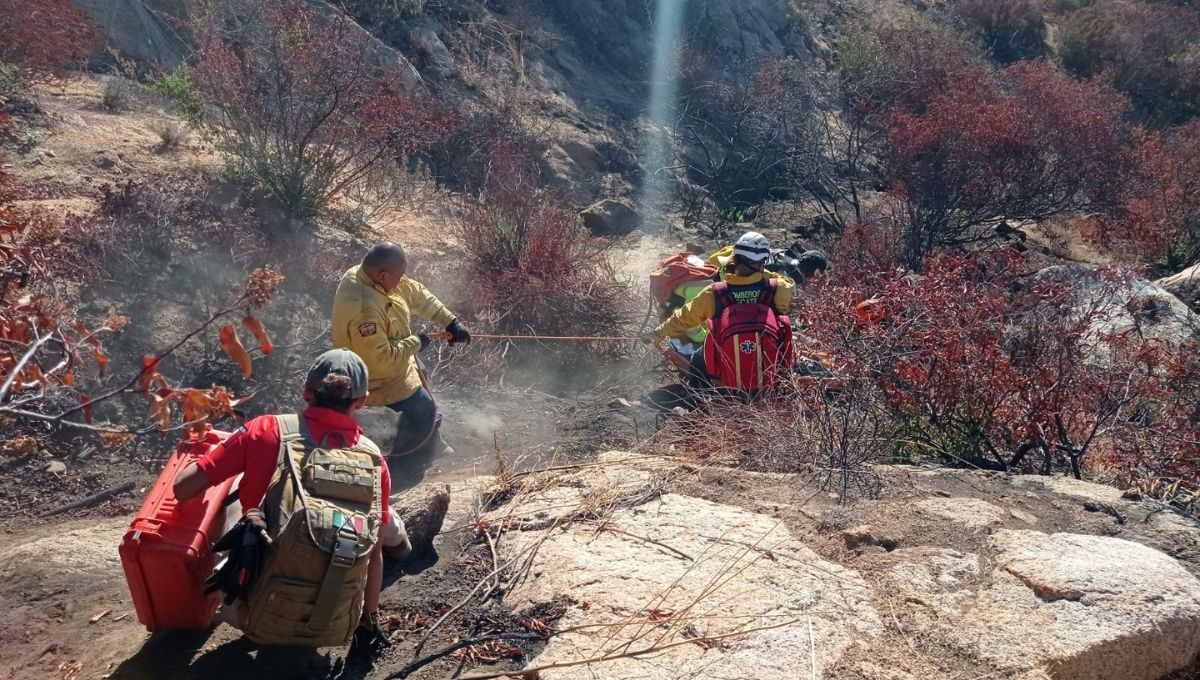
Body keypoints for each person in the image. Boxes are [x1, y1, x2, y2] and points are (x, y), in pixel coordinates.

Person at [173, 349, 393, 655]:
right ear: (362, 401)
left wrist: (210, 452)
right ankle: (405, 547)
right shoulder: (374, 460)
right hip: (333, 621)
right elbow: (375, 555)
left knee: (238, 488)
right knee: (381, 522)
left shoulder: (266, 429)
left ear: (306, 393)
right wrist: (368, 621)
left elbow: (183, 488)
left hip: (249, 610)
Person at [331, 242, 470, 461]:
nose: (402, 279)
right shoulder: (364, 309)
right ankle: (406, 459)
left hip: (395, 358)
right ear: (383, 275)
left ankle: (427, 439)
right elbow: (381, 359)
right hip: (373, 376)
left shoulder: (375, 278)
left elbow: (415, 293)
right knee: (424, 406)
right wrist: (417, 342)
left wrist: (450, 321)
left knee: (421, 373)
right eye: (400, 274)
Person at [644, 231, 795, 388]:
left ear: (734, 259)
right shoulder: (778, 290)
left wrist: (657, 333)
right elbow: (788, 282)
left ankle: (705, 400)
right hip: (768, 383)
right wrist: (762, 273)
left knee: (697, 361)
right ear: (763, 263)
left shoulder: (714, 293)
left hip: (724, 383)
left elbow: (683, 318)